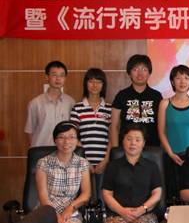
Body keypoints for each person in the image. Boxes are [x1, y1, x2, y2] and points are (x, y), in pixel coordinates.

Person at [36, 120, 91, 223]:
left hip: (71, 212)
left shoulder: (82, 163)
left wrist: (70, 209)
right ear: (55, 140)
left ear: (77, 140)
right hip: (47, 211)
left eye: (72, 137)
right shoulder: (43, 163)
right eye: (61, 137)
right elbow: (43, 196)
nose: (67, 142)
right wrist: (55, 215)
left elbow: (86, 194)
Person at [158, 65, 189, 202]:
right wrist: (171, 154)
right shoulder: (164, 104)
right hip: (170, 156)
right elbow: (161, 131)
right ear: (172, 81)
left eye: (186, 78)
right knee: (171, 194)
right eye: (178, 78)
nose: (182, 81)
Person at [70, 68, 112, 202]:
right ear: (86, 83)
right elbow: (73, 137)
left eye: (99, 82)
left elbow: (112, 137)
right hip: (83, 162)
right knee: (84, 200)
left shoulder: (109, 108)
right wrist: (85, 161)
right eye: (91, 81)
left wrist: (106, 160)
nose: (95, 85)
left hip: (104, 162)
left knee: (103, 200)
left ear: (103, 85)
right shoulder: (77, 108)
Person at [110, 54, 162, 149]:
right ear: (129, 73)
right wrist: (115, 150)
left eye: (144, 69)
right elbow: (114, 126)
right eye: (135, 69)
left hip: (152, 149)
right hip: (127, 149)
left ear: (149, 73)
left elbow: (162, 126)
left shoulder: (157, 96)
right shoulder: (121, 95)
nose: (140, 73)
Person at [25, 60, 75, 147]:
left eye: (61, 75)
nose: (58, 78)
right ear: (47, 77)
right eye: (54, 75)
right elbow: (30, 131)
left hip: (63, 150)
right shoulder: (35, 103)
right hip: (41, 150)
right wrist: (36, 150)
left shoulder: (71, 102)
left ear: (65, 78)